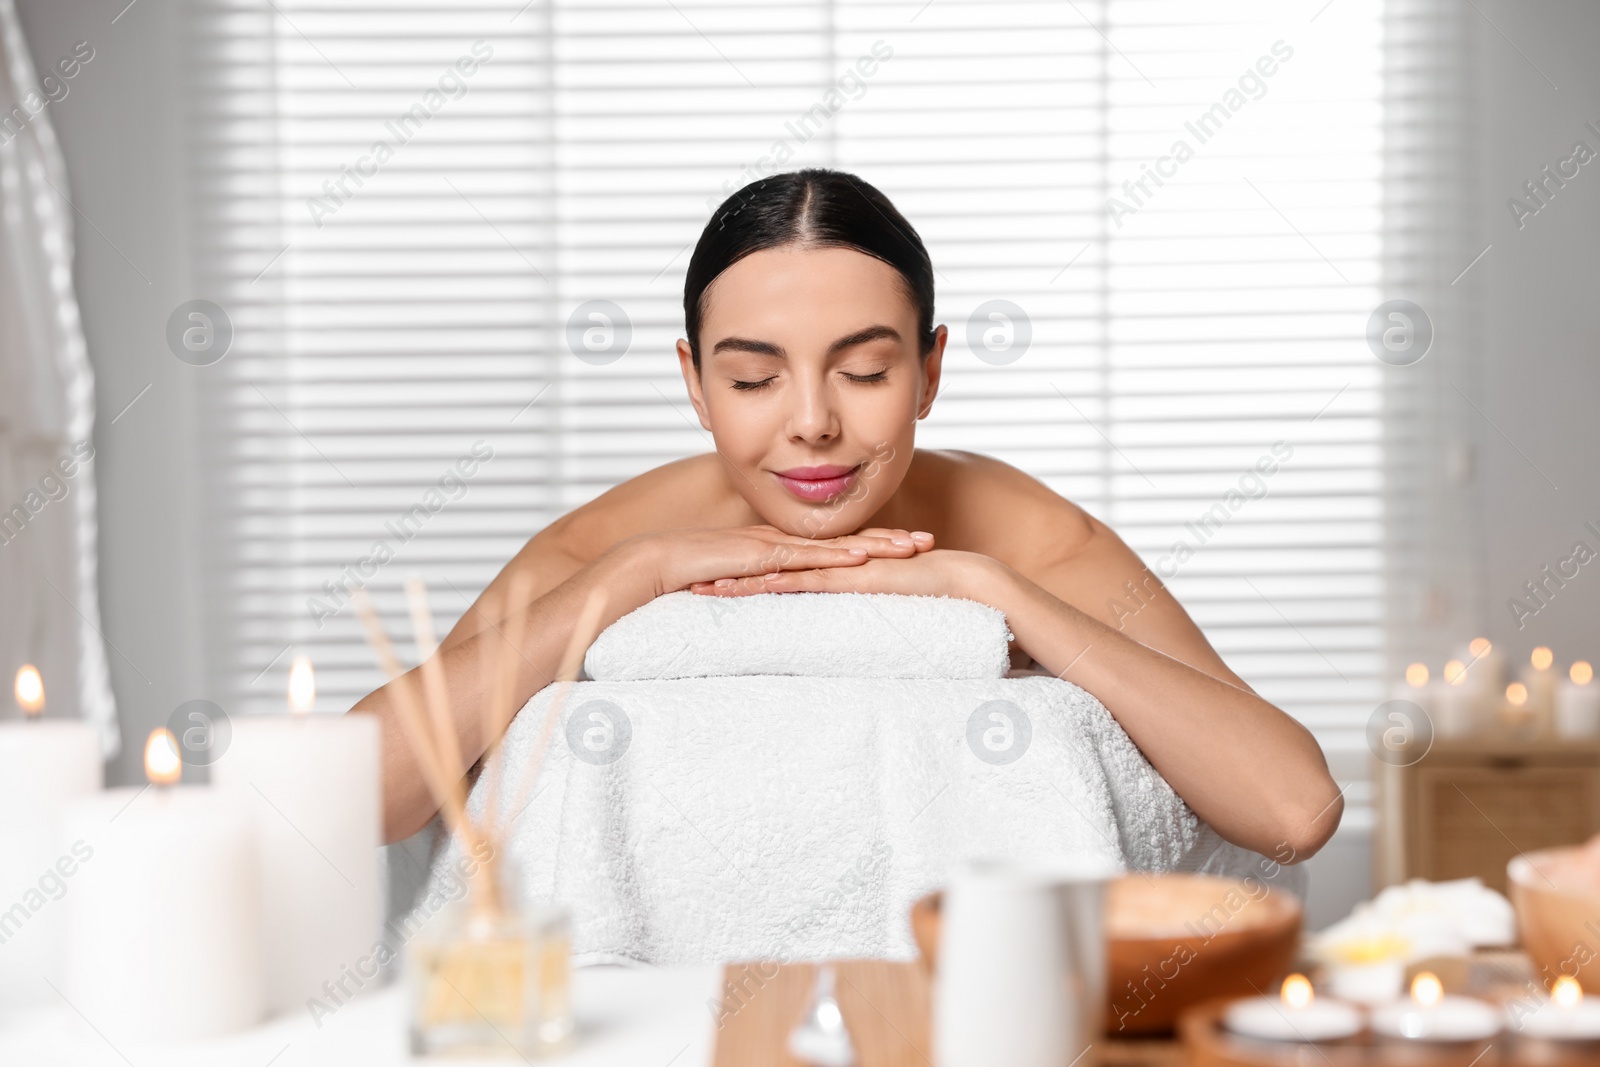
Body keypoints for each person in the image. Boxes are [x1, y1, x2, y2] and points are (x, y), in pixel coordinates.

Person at [353, 169, 1343, 861]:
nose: (814, 423)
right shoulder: (598, 545)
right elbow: (361, 799)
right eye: (753, 377)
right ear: (695, 383)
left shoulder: (1032, 538)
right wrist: (624, 581)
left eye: (865, 370)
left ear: (930, 369)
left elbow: (1292, 808)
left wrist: (984, 585)